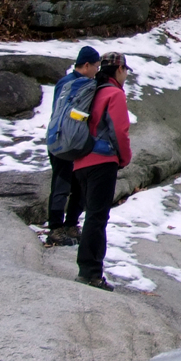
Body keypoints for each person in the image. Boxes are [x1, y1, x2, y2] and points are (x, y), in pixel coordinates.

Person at [74, 52, 133, 291]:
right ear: (119, 70)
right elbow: (120, 130)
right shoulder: (113, 93)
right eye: (126, 69)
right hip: (102, 161)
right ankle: (90, 272)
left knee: (92, 216)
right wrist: (124, 158)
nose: (127, 74)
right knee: (97, 218)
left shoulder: (91, 91)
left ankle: (88, 268)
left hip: (80, 161)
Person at [46, 45, 100, 246]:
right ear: (86, 65)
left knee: (63, 184)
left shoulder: (63, 83)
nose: (97, 70)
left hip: (57, 138)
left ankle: (64, 226)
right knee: (71, 185)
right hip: (71, 142)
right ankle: (58, 227)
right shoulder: (83, 85)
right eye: (96, 66)